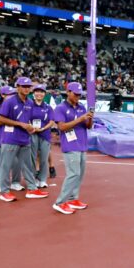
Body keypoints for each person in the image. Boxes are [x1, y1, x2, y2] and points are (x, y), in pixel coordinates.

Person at [0, 76, 48, 202]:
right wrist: (20, 124)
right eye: (24, 86)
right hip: (10, 138)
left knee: (28, 165)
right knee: (6, 165)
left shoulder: (30, 103)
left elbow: (28, 119)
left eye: (28, 87)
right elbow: (2, 119)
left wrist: (30, 127)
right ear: (18, 87)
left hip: (25, 138)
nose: (26, 89)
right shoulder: (9, 101)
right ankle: (4, 191)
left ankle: (31, 189)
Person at [51, 82, 93, 215]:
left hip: (82, 144)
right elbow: (62, 127)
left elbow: (88, 126)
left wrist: (90, 118)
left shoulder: (81, 106)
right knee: (73, 174)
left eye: (80, 95)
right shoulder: (60, 108)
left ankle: (72, 198)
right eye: (76, 94)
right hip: (70, 145)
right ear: (68, 92)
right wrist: (80, 119)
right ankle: (60, 202)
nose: (78, 97)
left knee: (79, 174)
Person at [0, 85, 22, 196]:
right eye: (10, 94)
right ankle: (1, 184)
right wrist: (7, 119)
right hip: (0, 138)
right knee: (1, 163)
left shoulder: (17, 105)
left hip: (14, 137)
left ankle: (15, 182)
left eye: (14, 94)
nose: (12, 96)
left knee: (17, 162)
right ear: (2, 95)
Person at [29, 83, 55, 189]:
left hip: (45, 134)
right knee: (32, 158)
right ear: (34, 93)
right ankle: (33, 179)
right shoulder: (29, 105)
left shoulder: (48, 107)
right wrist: (31, 127)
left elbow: (52, 121)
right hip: (32, 134)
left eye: (41, 92)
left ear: (44, 94)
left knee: (44, 158)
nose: (39, 94)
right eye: (37, 92)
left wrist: (44, 128)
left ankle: (42, 179)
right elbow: (26, 118)